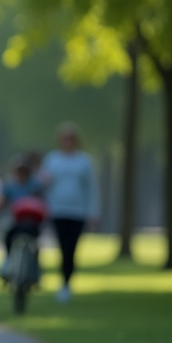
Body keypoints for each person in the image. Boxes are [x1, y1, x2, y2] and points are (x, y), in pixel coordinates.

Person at [39, 122, 99, 304]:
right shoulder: (52, 160)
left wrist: (94, 211)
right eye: (64, 138)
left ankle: (67, 282)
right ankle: (63, 282)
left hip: (78, 211)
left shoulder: (84, 161)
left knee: (71, 248)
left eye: (70, 138)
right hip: (57, 210)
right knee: (62, 247)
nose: (67, 141)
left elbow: (92, 188)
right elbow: (42, 184)